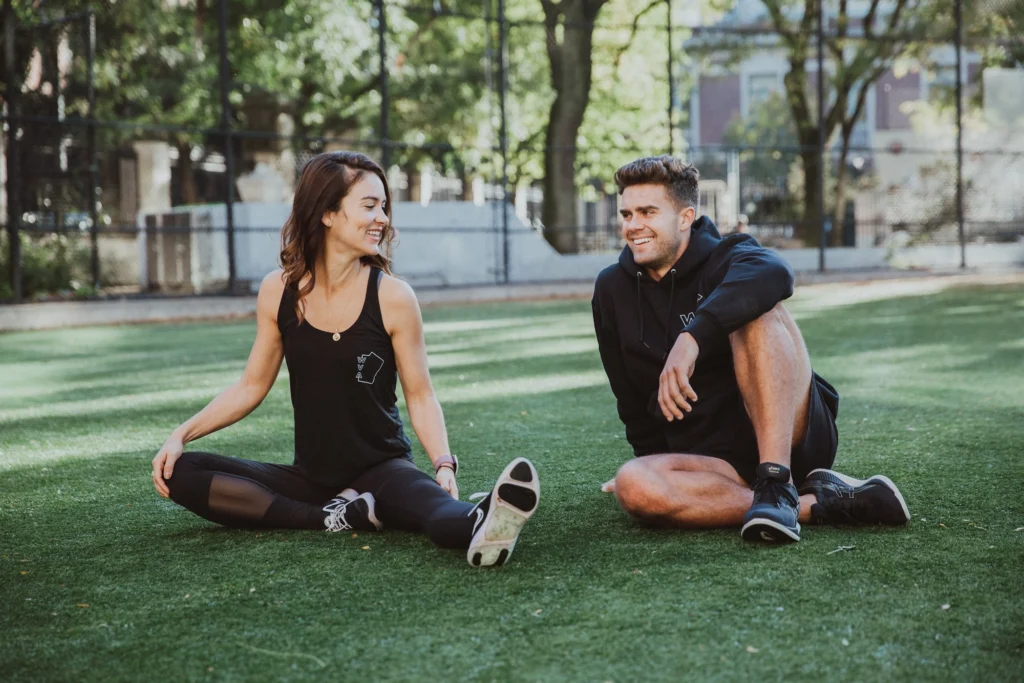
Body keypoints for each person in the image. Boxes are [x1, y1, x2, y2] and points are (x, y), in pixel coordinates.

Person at [151, 151, 539, 567]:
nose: (382, 219)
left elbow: (421, 395)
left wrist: (444, 464)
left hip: (382, 470)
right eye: (369, 206)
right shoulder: (278, 291)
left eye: (384, 207)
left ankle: (484, 519)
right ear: (327, 213)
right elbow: (251, 386)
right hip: (310, 478)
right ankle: (331, 517)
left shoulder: (393, 296)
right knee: (181, 472)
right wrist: (181, 434)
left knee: (438, 514)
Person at [591, 155, 908, 542]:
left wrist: (692, 337)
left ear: (685, 217)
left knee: (754, 305)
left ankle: (776, 480)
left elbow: (775, 273)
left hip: (788, 438)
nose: (633, 225)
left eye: (647, 212)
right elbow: (630, 397)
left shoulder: (728, 255)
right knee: (633, 484)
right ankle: (814, 505)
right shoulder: (612, 288)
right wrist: (655, 468)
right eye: (626, 214)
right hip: (714, 460)